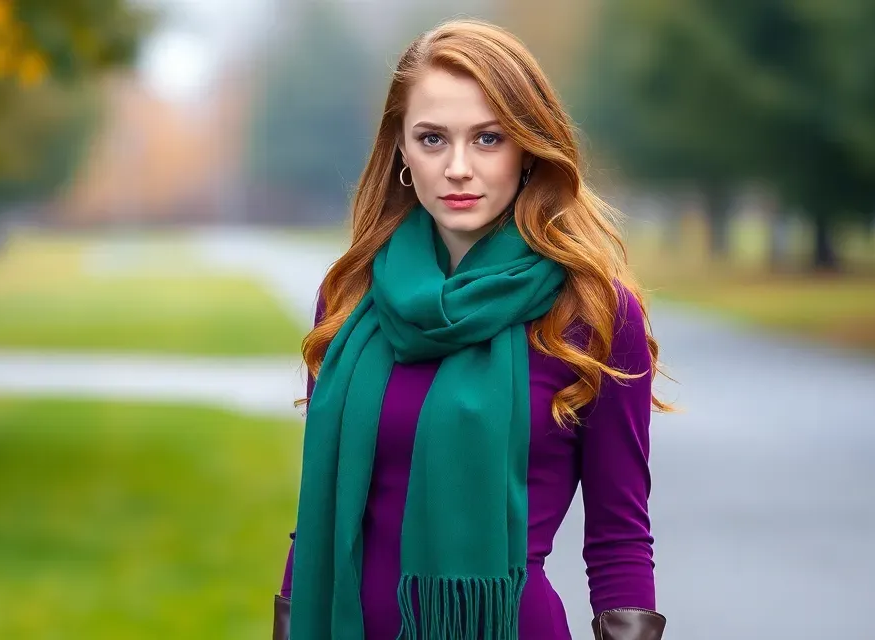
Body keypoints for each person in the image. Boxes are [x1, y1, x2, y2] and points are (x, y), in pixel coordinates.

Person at [274, 18, 669, 640]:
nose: (459, 167)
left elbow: (619, 535)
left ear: (528, 148)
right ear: (400, 151)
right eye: (432, 139)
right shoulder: (349, 299)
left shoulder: (593, 312)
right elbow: (318, 515)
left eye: (488, 138)